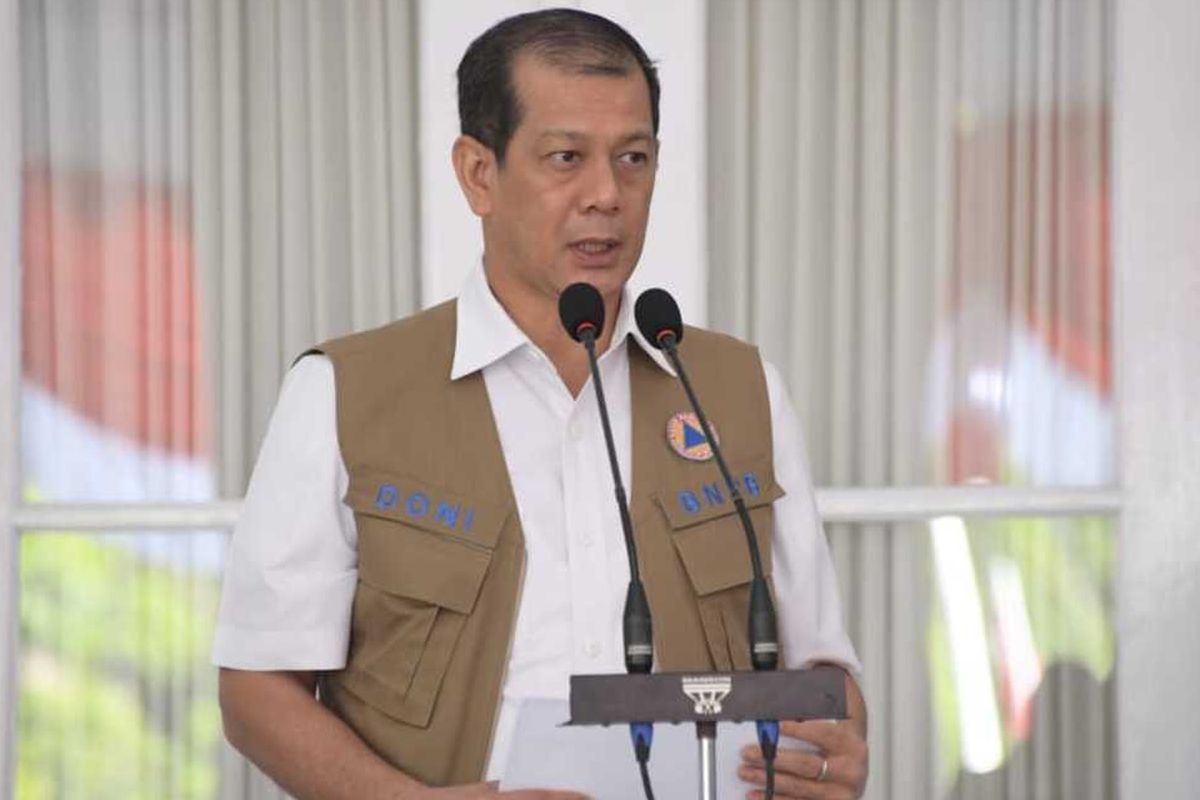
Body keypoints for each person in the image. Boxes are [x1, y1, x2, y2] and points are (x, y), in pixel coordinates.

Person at [213, 9, 868, 799]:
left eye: (634, 158)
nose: (607, 195)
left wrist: (836, 745)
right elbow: (256, 693)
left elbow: (822, 668)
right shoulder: (343, 392)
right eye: (567, 158)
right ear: (478, 174)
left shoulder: (737, 387)